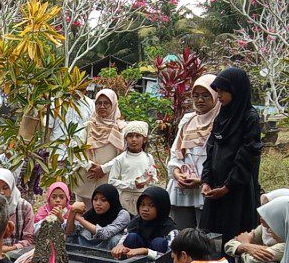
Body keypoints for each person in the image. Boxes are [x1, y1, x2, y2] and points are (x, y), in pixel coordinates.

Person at [199, 68, 262, 244]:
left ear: (235, 90)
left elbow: (248, 156)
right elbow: (211, 149)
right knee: (210, 239)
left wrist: (228, 186)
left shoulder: (249, 118)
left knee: (233, 237)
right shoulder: (222, 116)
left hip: (237, 191)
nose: (218, 95)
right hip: (215, 188)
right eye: (217, 91)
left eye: (223, 91)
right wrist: (206, 181)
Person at [167, 75, 221, 229]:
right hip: (182, 185)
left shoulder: (221, 121)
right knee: (182, 232)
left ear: (216, 96)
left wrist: (203, 180)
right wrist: (176, 172)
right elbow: (176, 151)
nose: (200, 100)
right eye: (196, 96)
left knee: (205, 233)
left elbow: (222, 157)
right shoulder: (188, 120)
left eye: (206, 95)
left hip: (206, 186)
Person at [74, 89, 126, 205]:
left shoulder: (121, 128)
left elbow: (124, 155)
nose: (102, 106)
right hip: (86, 177)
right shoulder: (88, 126)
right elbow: (77, 150)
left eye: (106, 103)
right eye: (98, 103)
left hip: (109, 178)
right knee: (83, 212)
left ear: (113, 105)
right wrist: (89, 166)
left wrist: (103, 169)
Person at [99, 120, 157, 214]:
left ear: (144, 139)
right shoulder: (120, 159)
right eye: (130, 136)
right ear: (125, 139)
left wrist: (148, 181)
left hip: (145, 198)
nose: (134, 139)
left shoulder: (148, 158)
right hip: (125, 199)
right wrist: (132, 184)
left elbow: (153, 177)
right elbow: (112, 181)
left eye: (138, 136)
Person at [112, 186, 178, 260]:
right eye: (142, 204)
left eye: (151, 206)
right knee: (131, 237)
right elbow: (123, 240)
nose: (145, 209)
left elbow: (171, 256)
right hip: (134, 261)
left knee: (159, 242)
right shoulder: (135, 222)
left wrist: (146, 251)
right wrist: (120, 247)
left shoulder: (169, 228)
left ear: (161, 207)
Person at [65, 183, 131, 250]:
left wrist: (80, 219)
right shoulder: (92, 213)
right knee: (83, 232)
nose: (98, 203)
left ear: (112, 201)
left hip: (112, 250)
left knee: (115, 239)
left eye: (103, 200)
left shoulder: (123, 214)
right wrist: (72, 212)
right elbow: (69, 234)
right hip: (90, 248)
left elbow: (105, 234)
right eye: (95, 199)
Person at [0, 168, 34, 260]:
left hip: (18, 256)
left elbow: (29, 239)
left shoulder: (24, 207)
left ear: (12, 186)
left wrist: (10, 249)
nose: (1, 192)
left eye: (5, 188)